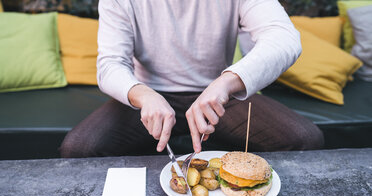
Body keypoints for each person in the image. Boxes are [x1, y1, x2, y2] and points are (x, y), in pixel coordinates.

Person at [60, 0, 324, 158]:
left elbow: (284, 38)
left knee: (305, 138)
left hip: (216, 96)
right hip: (150, 99)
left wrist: (225, 83)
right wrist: (145, 95)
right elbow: (110, 65)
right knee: (78, 148)